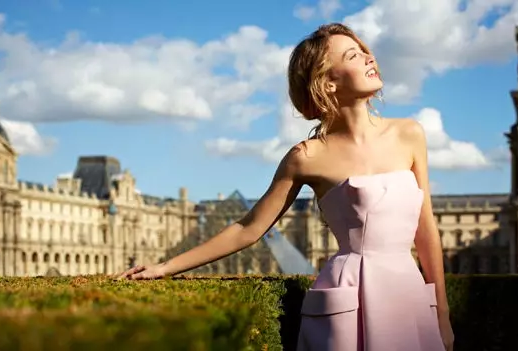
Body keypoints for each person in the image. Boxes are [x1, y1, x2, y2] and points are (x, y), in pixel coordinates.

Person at [117, 23, 454, 351]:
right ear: (328, 82)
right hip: (346, 296)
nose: (369, 58)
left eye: (365, 51)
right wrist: (162, 267)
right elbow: (248, 228)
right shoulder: (306, 157)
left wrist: (442, 313)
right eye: (354, 55)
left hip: (407, 295)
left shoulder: (409, 134)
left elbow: (426, 230)